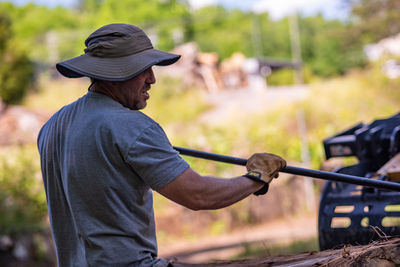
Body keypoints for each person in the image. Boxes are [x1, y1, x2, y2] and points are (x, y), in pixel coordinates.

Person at [37, 23, 286, 267]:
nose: (152, 79)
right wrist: (257, 177)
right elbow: (198, 194)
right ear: (114, 74)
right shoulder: (130, 126)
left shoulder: (51, 127)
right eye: (143, 69)